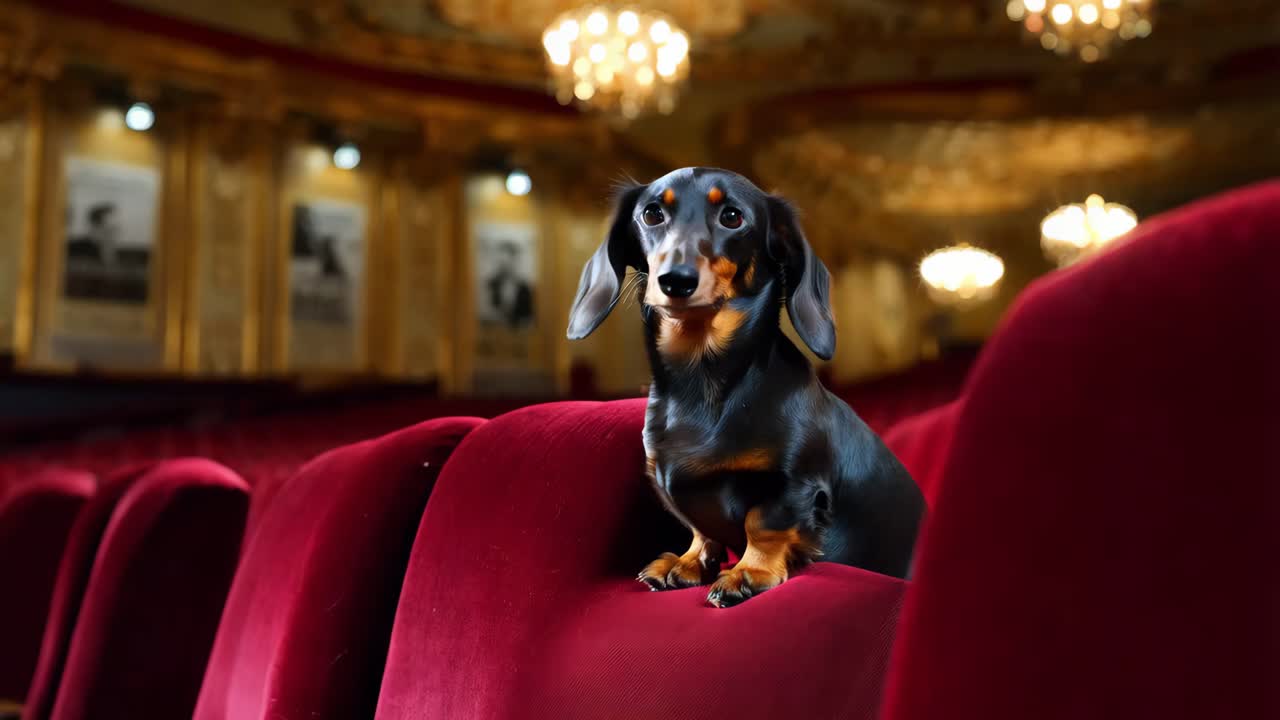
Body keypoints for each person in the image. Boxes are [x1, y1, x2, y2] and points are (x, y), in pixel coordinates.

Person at [486, 240, 533, 328]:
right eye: (502, 262)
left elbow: (528, 318)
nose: (504, 266)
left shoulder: (525, 288)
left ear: (515, 262)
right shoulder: (491, 285)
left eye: (508, 262)